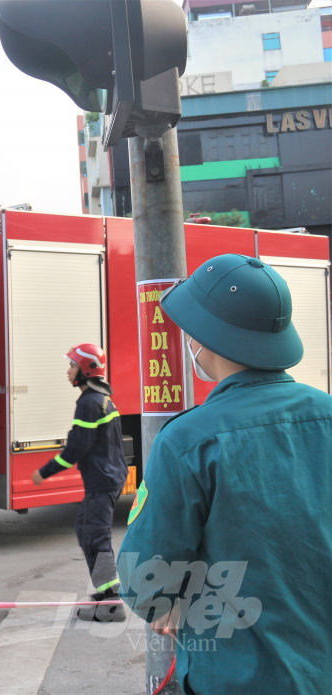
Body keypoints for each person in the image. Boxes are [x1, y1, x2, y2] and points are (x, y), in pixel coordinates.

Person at [119, 255, 332, 694]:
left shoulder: (189, 441)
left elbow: (147, 583)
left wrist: (173, 603)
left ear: (203, 339)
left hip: (240, 679)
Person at [31, 343, 128, 622]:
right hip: (107, 478)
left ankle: (111, 604)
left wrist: (44, 472)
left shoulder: (89, 403)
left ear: (86, 370)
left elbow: (76, 449)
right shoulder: (102, 398)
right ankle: (105, 592)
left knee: (96, 538)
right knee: (86, 532)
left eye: (72, 365)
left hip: (102, 481)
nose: (68, 371)